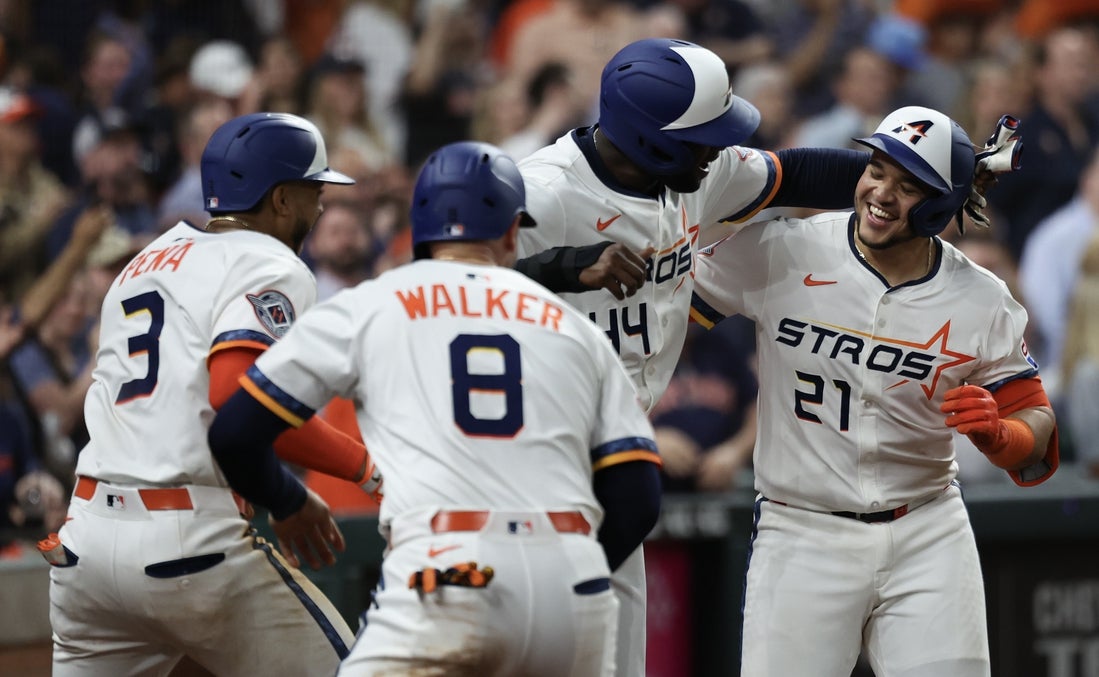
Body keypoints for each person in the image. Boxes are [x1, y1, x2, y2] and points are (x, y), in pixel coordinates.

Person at [207, 140, 662, 675]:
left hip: (447, 567)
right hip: (570, 579)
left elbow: (234, 432)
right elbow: (639, 495)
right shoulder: (575, 329)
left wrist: (286, 500)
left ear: (418, 232)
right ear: (512, 232)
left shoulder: (371, 304)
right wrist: (570, 573)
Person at [515, 36, 877, 676]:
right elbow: (440, 282)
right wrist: (565, 266)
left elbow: (795, 173)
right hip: (534, 455)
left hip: (613, 448)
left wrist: (913, 177)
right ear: (651, 140)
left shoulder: (690, 175)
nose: (718, 150)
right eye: (704, 138)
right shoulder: (543, 192)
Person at [688, 105, 1059, 676]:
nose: (880, 193)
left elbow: (1038, 427)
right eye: (876, 170)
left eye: (907, 186)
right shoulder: (784, 247)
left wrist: (1002, 435)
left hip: (927, 528)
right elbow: (667, 309)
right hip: (801, 528)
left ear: (939, 206)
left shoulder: (981, 298)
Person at [48, 112, 382, 676]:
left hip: (84, 541)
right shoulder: (271, 262)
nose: (321, 205)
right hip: (186, 538)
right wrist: (360, 471)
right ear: (280, 199)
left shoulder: (143, 261)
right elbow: (240, 398)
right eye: (314, 190)